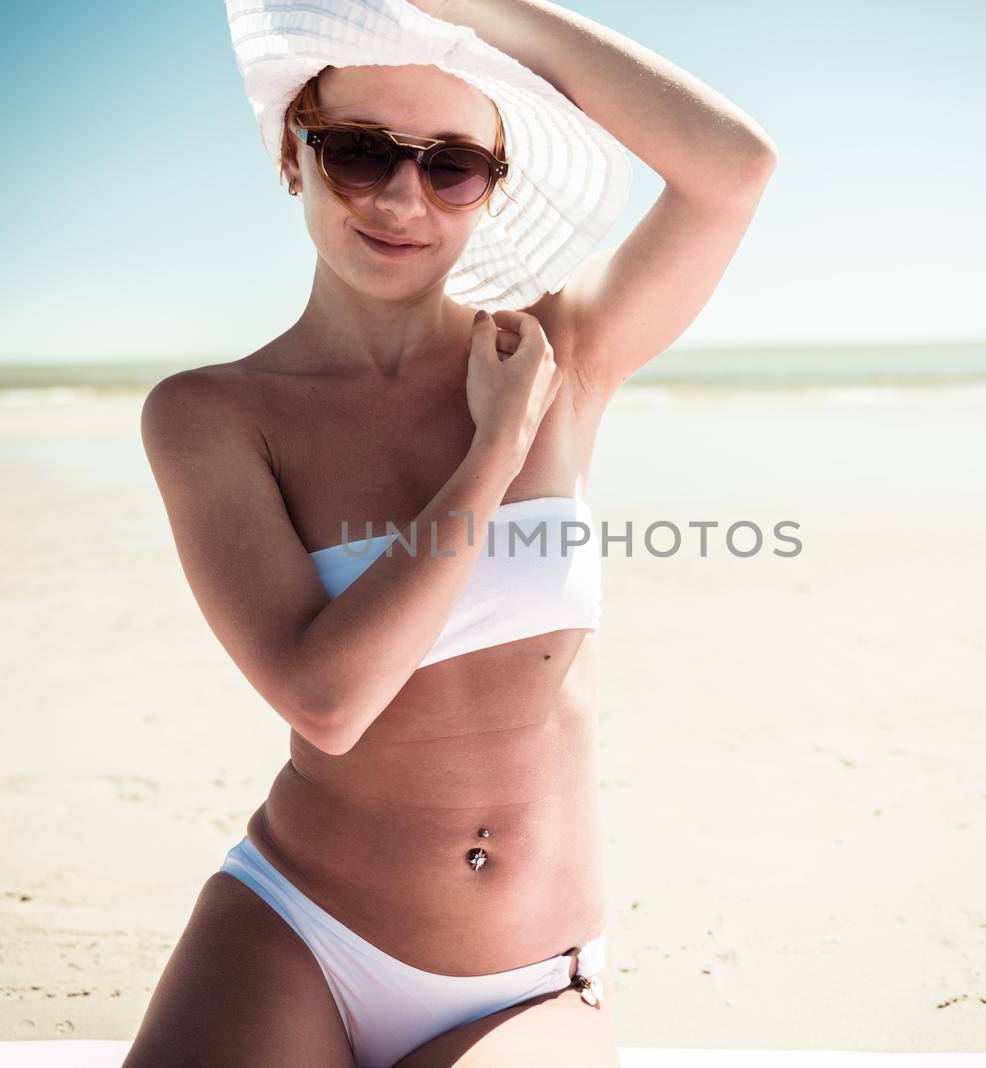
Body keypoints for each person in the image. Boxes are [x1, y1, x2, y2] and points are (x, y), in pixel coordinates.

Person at [124, 1, 775, 1064]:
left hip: (527, 981)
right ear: (294, 156)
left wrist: (469, 8)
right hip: (296, 927)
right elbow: (327, 702)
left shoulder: (563, 344)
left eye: (454, 165)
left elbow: (734, 169)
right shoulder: (212, 416)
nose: (400, 198)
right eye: (358, 152)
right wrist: (493, 452)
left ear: (490, 190)